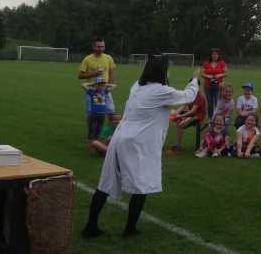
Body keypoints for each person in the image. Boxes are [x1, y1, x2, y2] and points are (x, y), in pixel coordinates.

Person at [82, 55, 199, 238]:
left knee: (105, 183)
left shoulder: (137, 86)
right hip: (138, 143)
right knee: (142, 185)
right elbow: (188, 96)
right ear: (161, 72)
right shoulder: (160, 91)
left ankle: (91, 226)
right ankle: (130, 229)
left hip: (120, 137)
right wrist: (194, 80)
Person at [78, 38, 116, 117]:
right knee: (92, 113)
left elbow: (111, 74)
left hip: (104, 89)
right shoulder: (87, 59)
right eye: (99, 47)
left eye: (103, 46)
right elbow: (80, 75)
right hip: (92, 90)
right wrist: (94, 74)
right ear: (93, 47)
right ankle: (92, 125)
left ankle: (109, 125)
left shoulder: (108, 58)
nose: (101, 49)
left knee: (111, 111)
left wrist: (108, 87)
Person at [166, 84, 207, 154]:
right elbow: (184, 106)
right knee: (177, 119)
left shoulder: (199, 97)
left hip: (198, 116)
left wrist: (180, 116)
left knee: (181, 124)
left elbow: (193, 111)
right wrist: (175, 114)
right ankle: (178, 143)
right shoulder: (190, 95)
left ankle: (178, 146)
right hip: (192, 114)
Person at [202, 48, 228, 119]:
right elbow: (202, 73)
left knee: (217, 103)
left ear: (218, 55)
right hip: (208, 86)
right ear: (211, 55)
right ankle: (210, 118)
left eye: (216, 54)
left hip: (218, 86)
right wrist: (208, 76)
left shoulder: (222, 63)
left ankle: (217, 118)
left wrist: (220, 75)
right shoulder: (206, 63)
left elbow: (226, 73)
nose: (215, 56)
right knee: (210, 103)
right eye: (213, 54)